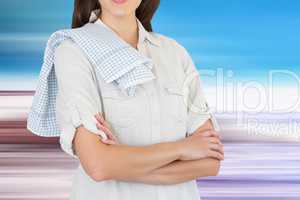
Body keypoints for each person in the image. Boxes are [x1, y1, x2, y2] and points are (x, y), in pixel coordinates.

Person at [37, 0, 223, 199]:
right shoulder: (73, 51)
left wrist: (122, 164)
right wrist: (183, 148)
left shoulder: (174, 53)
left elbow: (210, 161)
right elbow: (98, 165)